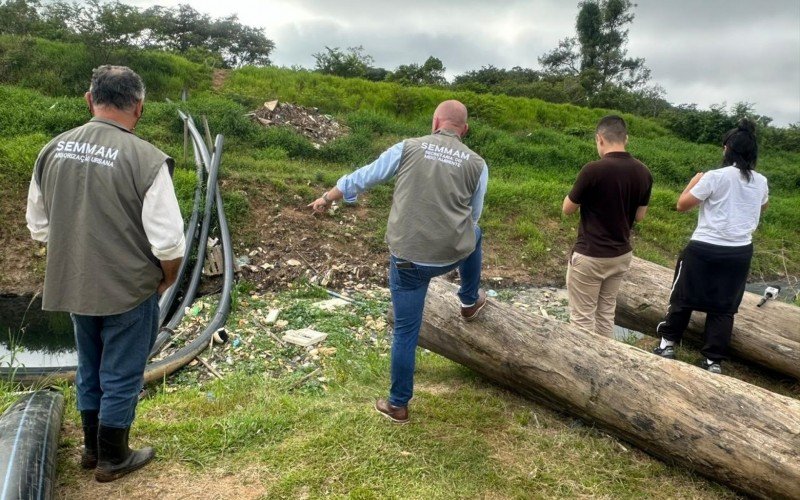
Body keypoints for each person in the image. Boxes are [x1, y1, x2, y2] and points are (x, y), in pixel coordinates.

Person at [26, 65, 185, 482]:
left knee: (89, 365)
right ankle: (114, 457)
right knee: (121, 371)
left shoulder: (52, 149)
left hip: (75, 283)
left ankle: (92, 450)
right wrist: (166, 277)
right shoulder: (146, 159)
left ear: (88, 99)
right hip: (129, 288)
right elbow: (169, 242)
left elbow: (39, 228)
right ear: (139, 107)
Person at [308, 100, 489, 424]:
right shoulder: (478, 163)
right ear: (464, 130)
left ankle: (398, 405)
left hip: (408, 260)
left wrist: (327, 197)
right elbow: (474, 214)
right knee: (476, 233)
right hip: (450, 256)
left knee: (406, 332)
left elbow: (364, 177)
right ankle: (468, 301)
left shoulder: (408, 148)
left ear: (435, 122)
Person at [652, 119, 767, 374]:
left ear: (727, 148)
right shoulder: (761, 181)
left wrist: (693, 182)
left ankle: (668, 343)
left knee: (682, 295)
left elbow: (682, 205)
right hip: (739, 251)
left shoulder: (714, 177)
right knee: (724, 306)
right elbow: (762, 206)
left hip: (704, 247)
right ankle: (713, 360)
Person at [562, 115, 653, 337]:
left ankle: (582, 367)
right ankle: (605, 363)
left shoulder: (592, 170)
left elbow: (568, 208)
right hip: (620, 255)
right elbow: (640, 216)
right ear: (626, 139)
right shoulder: (644, 172)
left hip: (591, 255)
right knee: (605, 314)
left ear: (600, 138)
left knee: (582, 319)